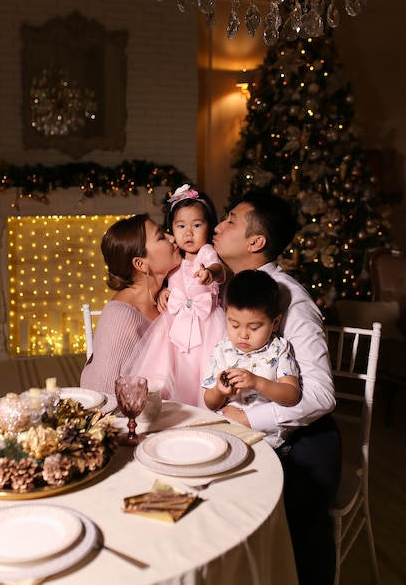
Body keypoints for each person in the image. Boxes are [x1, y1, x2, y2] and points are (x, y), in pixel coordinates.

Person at [212, 190, 341, 585]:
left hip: (307, 441)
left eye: (230, 219)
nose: (217, 226)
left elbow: (321, 396)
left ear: (256, 242)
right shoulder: (238, 287)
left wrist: (247, 416)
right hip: (254, 433)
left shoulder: (291, 301)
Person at [128, 184, 227, 406]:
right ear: (171, 228)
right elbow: (168, 281)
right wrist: (164, 291)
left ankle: (203, 407)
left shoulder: (206, 252)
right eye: (181, 226)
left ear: (208, 226)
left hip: (206, 324)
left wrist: (210, 272)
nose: (188, 232)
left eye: (197, 225)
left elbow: (218, 268)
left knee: (202, 368)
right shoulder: (174, 257)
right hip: (175, 325)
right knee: (175, 368)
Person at [80, 213, 181, 395]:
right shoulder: (120, 318)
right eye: (161, 237)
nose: (173, 238)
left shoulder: (169, 295)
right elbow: (102, 393)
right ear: (141, 264)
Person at [202, 269, 300, 447]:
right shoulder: (222, 350)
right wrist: (219, 391)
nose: (243, 335)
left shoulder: (278, 350)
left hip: (268, 440)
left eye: (254, 328)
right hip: (227, 434)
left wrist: (257, 383)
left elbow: (292, 395)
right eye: (234, 325)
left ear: (275, 323)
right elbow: (210, 402)